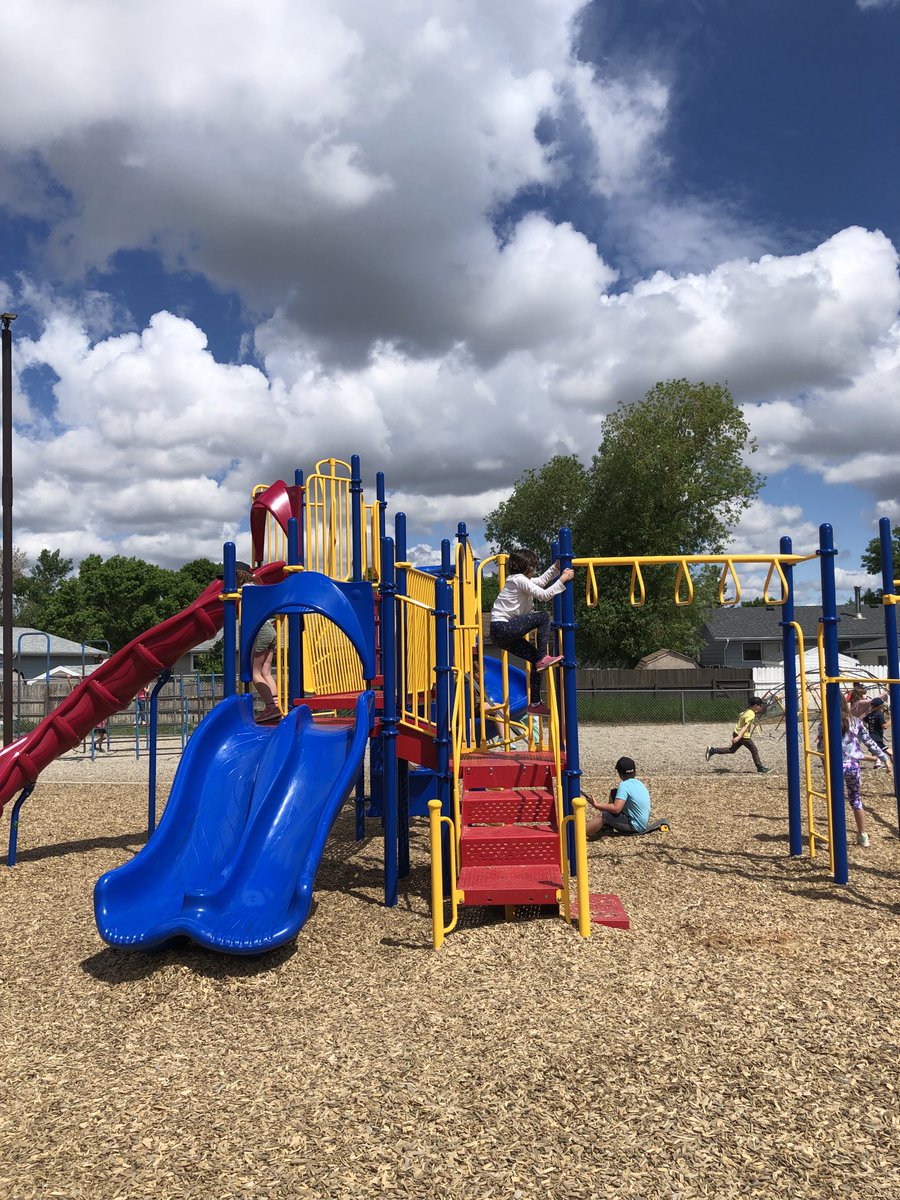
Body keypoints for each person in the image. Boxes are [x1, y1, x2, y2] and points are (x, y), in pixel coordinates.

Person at [489, 549, 574, 716]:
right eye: (534, 566)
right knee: (543, 616)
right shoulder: (519, 580)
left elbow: (541, 581)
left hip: (499, 633)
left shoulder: (519, 580)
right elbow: (544, 595)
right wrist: (563, 579)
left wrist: (556, 568)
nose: (535, 569)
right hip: (503, 627)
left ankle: (535, 703)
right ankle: (543, 657)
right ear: (528, 567)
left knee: (534, 659)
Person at [818, 697, 889, 846]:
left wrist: (825, 766)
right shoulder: (855, 721)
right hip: (852, 766)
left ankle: (835, 837)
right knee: (856, 800)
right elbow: (869, 741)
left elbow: (821, 747)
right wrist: (884, 758)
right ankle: (863, 835)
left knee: (834, 801)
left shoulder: (825, 722)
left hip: (835, 766)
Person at [236, 564, 283, 724]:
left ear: (237, 575)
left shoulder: (244, 590)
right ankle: (275, 708)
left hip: (261, 630)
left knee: (255, 673)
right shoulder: (257, 587)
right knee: (266, 671)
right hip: (271, 630)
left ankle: (270, 707)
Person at [584, 757, 651, 838]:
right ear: (634, 771)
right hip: (642, 823)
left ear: (619, 773)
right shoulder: (639, 783)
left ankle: (579, 834)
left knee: (603, 816)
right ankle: (608, 826)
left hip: (635, 826)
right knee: (614, 793)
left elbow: (616, 809)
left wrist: (596, 805)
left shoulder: (624, 785)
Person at [705, 697, 769, 774]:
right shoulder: (751, 714)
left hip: (736, 732)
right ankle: (760, 768)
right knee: (754, 750)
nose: (761, 707)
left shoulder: (747, 711)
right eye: (760, 705)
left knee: (732, 750)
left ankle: (712, 750)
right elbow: (745, 726)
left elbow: (740, 715)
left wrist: (738, 735)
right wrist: (739, 737)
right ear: (755, 705)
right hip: (743, 736)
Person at [863, 697, 892, 768]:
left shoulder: (870, 715)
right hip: (876, 738)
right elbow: (885, 726)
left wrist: (867, 727)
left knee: (875, 752)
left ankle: (877, 764)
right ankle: (896, 765)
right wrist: (891, 719)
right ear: (880, 707)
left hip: (870, 737)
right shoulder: (879, 715)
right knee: (891, 753)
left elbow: (863, 721)